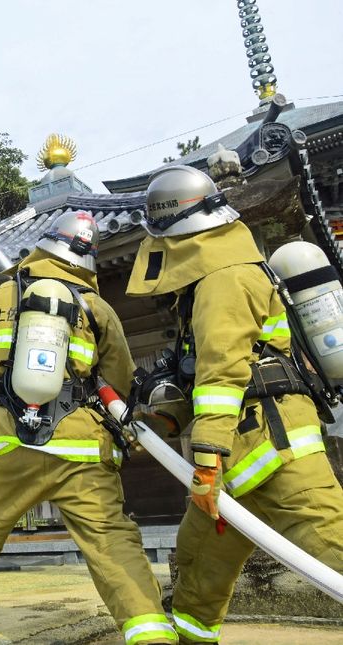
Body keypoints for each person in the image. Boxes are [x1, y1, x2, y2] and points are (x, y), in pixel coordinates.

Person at [0, 210, 177, 644]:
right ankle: (150, 631)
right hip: (79, 445)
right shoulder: (95, 305)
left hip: (5, 439)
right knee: (110, 539)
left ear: (45, 243)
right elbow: (118, 378)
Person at [126, 165, 343, 643]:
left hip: (275, 452)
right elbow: (200, 373)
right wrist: (165, 419)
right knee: (197, 566)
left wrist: (205, 459)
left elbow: (224, 375)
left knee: (332, 546)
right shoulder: (208, 280)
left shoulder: (224, 280)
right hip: (236, 464)